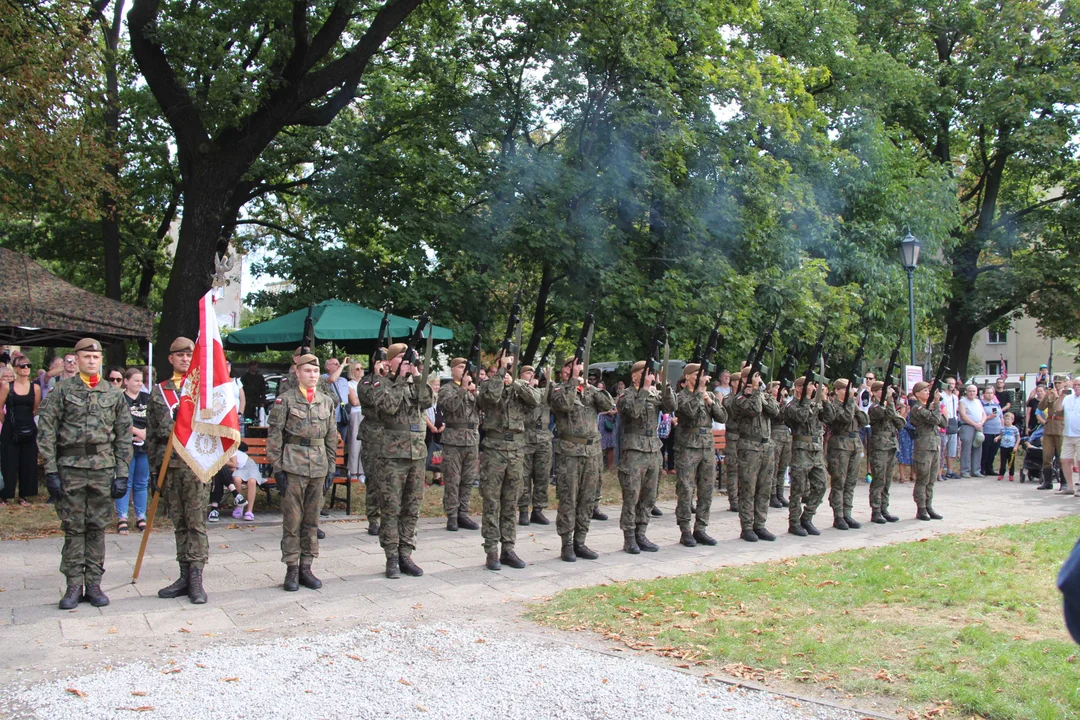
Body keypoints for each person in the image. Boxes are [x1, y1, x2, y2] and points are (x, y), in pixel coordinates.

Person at [36, 338, 132, 609]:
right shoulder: (62, 390)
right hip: (71, 469)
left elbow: (123, 436)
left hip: (102, 469)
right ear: (75, 359)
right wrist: (51, 471)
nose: (92, 361)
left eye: (96, 356)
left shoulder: (113, 393)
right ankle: (73, 585)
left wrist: (122, 473)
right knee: (73, 527)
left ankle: (94, 584)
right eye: (86, 356)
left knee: (97, 527)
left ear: (101, 359)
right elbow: (46, 433)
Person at [267, 353, 338, 591]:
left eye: (316, 371)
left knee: (312, 520)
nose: (313, 375)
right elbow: (275, 435)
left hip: (318, 466)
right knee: (292, 520)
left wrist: (331, 467)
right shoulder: (285, 400)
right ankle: (291, 568)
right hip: (293, 464)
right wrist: (277, 467)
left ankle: (307, 567)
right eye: (308, 371)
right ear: (297, 373)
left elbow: (330, 436)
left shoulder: (326, 401)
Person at [146, 337, 208, 604]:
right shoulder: (159, 392)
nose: (184, 359)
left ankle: (196, 579)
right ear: (170, 359)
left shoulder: (203, 390)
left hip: (196, 465)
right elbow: (151, 434)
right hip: (169, 466)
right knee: (179, 523)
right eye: (179, 355)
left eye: (188, 355)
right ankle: (183, 574)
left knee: (196, 524)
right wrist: (153, 470)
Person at [371, 343, 433, 579]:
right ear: (390, 361)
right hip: (392, 456)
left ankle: (406, 553)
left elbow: (427, 400)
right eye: (402, 358)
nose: (407, 362)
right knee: (391, 507)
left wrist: (417, 375)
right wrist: (400, 379)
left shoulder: (415, 382)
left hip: (416, 454)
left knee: (412, 507)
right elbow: (388, 406)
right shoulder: (381, 383)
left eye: (410, 358)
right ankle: (391, 557)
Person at [476, 350, 540, 570]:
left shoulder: (518, 386)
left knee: (511, 502)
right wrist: (500, 374)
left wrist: (515, 384)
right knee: (492, 501)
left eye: (511, 363)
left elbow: (535, 400)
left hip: (515, 449)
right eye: (505, 363)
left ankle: (508, 548)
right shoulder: (487, 384)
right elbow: (490, 398)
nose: (508, 366)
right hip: (494, 448)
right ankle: (492, 550)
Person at [550, 356, 614, 562]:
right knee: (569, 498)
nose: (576, 370)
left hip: (592, 452)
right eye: (572, 367)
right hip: (569, 452)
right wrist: (573, 382)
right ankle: (566, 543)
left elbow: (608, 404)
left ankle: (580, 541)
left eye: (579, 367)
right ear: (565, 370)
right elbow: (565, 406)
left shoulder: (588, 390)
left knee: (587, 499)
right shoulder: (558, 390)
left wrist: (588, 386)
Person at [617, 360, 675, 554]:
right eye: (644, 373)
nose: (648, 376)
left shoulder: (654, 392)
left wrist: (664, 384)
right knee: (632, 495)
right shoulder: (627, 395)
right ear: (634, 375)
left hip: (653, 450)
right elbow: (633, 412)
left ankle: (641, 533)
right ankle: (629, 537)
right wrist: (644, 389)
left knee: (649, 496)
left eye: (650, 373)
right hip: (634, 450)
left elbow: (670, 406)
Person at [673, 364, 728, 547]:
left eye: (703, 375)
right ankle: (685, 529)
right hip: (688, 446)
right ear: (687, 377)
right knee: (686, 489)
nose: (702, 378)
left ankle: (701, 528)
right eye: (697, 375)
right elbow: (689, 412)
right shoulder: (681, 396)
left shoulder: (709, 395)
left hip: (707, 446)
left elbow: (722, 417)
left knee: (706, 489)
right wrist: (699, 393)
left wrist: (710, 401)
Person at [731, 367, 781, 542]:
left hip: (766, 446)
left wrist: (760, 391)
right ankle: (747, 526)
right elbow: (754, 409)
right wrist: (755, 391)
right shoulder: (738, 398)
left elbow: (775, 410)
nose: (758, 380)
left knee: (764, 488)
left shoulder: (763, 394)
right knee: (748, 488)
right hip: (749, 447)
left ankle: (760, 524)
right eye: (754, 378)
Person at [440, 357, 484, 532]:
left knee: (468, 479)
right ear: (452, 370)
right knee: (452, 479)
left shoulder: (474, 389)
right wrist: (463, 388)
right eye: (460, 367)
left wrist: (475, 393)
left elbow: (485, 407)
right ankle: (451, 515)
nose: (464, 370)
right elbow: (450, 406)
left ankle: (463, 513)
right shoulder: (447, 389)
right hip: (453, 440)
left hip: (472, 439)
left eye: (466, 367)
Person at [783, 376, 828, 537]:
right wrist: (808, 398)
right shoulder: (791, 406)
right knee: (798, 489)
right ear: (799, 388)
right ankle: (794, 522)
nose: (812, 388)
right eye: (808, 385)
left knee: (821, 485)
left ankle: (807, 517)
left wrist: (824, 399)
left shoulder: (814, 404)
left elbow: (829, 417)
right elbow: (801, 417)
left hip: (816, 450)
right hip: (801, 450)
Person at [0, 352, 41, 504]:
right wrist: (8, 423)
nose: (26, 368)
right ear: (16, 369)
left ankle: (24, 495)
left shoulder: (35, 388)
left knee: (28, 462)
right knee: (8, 462)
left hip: (28, 427)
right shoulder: (7, 386)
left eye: (28, 366)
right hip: (11, 427)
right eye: (22, 366)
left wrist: (27, 422)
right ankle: (5, 494)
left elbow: (35, 409)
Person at [114, 368, 151, 533]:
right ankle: (122, 517)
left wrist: (145, 434)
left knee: (141, 482)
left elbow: (155, 419)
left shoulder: (147, 398)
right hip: (125, 445)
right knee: (125, 481)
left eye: (141, 380)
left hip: (144, 446)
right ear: (126, 381)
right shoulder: (119, 398)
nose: (139, 383)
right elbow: (116, 421)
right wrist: (136, 432)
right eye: (136, 380)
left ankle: (141, 516)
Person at [356, 351, 387, 536]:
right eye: (384, 361)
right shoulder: (367, 382)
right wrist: (377, 376)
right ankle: (374, 519)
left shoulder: (394, 380)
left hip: (392, 436)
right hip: (373, 436)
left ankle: (389, 517)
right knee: (374, 479)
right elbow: (374, 400)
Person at [519, 364, 554, 526]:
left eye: (533, 372)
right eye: (527, 373)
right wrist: (527, 386)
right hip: (526, 436)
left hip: (544, 437)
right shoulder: (519, 390)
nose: (531, 375)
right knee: (524, 476)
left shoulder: (542, 391)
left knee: (542, 476)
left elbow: (554, 397)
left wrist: (549, 380)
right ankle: (523, 510)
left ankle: (538, 510)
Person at [867, 381, 904, 523]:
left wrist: (891, 405)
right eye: (882, 390)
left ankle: (884, 508)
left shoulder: (889, 406)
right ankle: (876, 510)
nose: (886, 392)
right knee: (879, 479)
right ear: (875, 392)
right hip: (880, 446)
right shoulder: (875, 407)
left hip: (891, 445)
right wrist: (890, 402)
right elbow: (889, 416)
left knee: (887, 480)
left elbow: (901, 423)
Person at [1039, 375, 1069, 491]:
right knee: (1047, 456)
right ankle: (1047, 482)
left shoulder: (1067, 395)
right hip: (1049, 428)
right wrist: (1047, 395)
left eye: (1059, 383)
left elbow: (1062, 410)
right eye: (1055, 382)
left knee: (1062, 457)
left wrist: (1058, 397)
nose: (1057, 385)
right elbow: (1041, 407)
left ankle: (1064, 483)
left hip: (1060, 428)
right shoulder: (1051, 394)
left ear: (1064, 383)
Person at [769, 381, 791, 508]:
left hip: (786, 435)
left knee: (783, 467)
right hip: (775, 434)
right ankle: (772, 494)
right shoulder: (771, 402)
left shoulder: (785, 402)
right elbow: (778, 415)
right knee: (775, 466)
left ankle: (780, 493)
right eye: (776, 388)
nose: (780, 390)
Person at [957, 384, 986, 477]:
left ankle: (976, 470)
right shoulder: (962, 401)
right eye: (970, 391)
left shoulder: (978, 401)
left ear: (976, 392)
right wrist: (974, 424)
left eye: (974, 391)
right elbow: (963, 416)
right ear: (966, 392)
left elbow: (983, 414)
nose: (972, 393)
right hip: (967, 426)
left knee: (978, 448)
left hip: (979, 427)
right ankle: (965, 470)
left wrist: (981, 422)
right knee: (966, 448)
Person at [1058, 377, 1080, 495]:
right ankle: (1069, 487)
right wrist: (1061, 396)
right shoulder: (1068, 398)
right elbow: (1057, 409)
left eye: (1079, 385)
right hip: (1068, 434)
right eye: (1075, 384)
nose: (1077, 387)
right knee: (1065, 460)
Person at [346, 362, 365, 483]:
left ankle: (362, 471)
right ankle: (353, 471)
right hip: (356, 414)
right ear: (352, 371)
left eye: (361, 368)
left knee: (364, 443)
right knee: (355, 442)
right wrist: (366, 400)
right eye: (357, 369)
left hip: (365, 414)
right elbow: (354, 401)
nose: (360, 370)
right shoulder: (349, 384)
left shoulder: (365, 384)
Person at [980, 385, 1004, 480]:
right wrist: (989, 417)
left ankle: (989, 468)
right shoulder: (981, 404)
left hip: (997, 431)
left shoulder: (996, 404)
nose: (990, 395)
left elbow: (1001, 417)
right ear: (984, 394)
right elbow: (981, 417)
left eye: (991, 393)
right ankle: (982, 468)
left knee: (993, 451)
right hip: (987, 431)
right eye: (988, 393)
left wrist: (1002, 429)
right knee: (985, 451)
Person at [940, 377, 960, 479]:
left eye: (953, 383)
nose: (952, 385)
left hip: (953, 421)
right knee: (943, 447)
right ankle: (940, 471)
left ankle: (950, 470)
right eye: (950, 383)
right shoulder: (941, 396)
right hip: (944, 422)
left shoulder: (955, 397)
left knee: (952, 448)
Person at [239, 360, 267, 426]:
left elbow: (263, 390)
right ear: (249, 367)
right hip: (248, 402)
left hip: (257, 401)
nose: (254, 367)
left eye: (255, 366)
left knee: (259, 419)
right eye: (252, 366)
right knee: (248, 420)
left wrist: (262, 401)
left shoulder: (260, 377)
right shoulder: (244, 377)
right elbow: (241, 390)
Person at [995, 412, 1020, 482]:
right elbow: (1001, 435)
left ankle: (1011, 474)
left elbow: (1018, 438)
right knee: (1003, 461)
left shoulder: (1014, 429)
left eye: (1008, 419)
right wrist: (997, 438)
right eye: (1005, 419)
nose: (1006, 421)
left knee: (1011, 461)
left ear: (1012, 420)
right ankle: (1001, 474)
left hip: (1011, 447)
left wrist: (1016, 446)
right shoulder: (1003, 428)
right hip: (1003, 447)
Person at [896, 399, 914, 484]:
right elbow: (901, 420)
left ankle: (913, 475)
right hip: (905, 432)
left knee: (913, 454)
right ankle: (902, 476)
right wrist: (907, 410)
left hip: (913, 432)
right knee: (904, 454)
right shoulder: (905, 408)